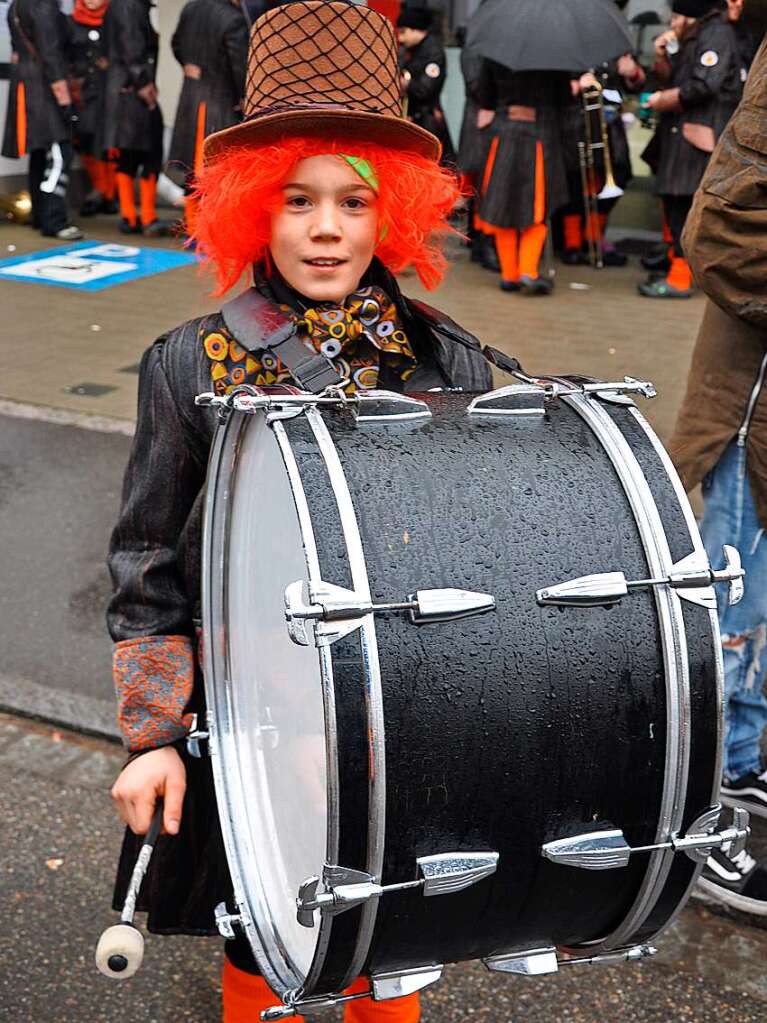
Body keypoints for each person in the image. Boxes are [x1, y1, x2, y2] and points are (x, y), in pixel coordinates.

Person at [106, 3, 491, 1021]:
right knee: (263, 934)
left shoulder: (448, 361)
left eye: (354, 204)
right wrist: (151, 735)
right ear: (248, 210)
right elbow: (147, 558)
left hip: (405, 720)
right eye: (295, 200)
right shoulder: (187, 364)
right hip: (254, 723)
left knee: (391, 942)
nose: (325, 228)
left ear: (391, 214)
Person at [669, 32, 767, 915]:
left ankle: (741, 762)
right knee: (729, 599)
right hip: (750, 398)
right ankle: (701, 811)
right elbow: (720, 229)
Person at [638, 0, 742, 299]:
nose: (673, 21)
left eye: (677, 15)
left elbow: (704, 84)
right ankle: (675, 270)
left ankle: (680, 279)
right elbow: (674, 78)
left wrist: (662, 100)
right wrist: (661, 55)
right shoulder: (697, 34)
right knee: (674, 206)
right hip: (680, 135)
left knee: (684, 209)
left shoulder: (716, 34)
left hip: (696, 136)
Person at [475, 58, 570, 295]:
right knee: (536, 208)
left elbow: (484, 96)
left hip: (503, 132)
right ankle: (528, 271)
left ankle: (509, 275)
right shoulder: (554, 58)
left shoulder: (494, 55)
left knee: (501, 205)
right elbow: (565, 101)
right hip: (540, 135)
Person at [0, 0, 83, 240]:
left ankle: (39, 215)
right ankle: (54, 220)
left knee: (39, 152)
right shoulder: (43, 6)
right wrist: (64, 97)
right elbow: (51, 52)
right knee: (61, 153)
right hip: (43, 86)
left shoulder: (17, 6)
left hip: (25, 84)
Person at [167, 0, 248, 230]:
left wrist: (189, 64)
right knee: (217, 166)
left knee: (193, 168)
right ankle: (211, 228)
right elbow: (239, 64)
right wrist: (243, 97)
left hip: (191, 96)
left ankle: (192, 226)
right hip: (221, 99)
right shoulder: (234, 18)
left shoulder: (191, 7)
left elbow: (176, 43)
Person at [560, 55, 645, 267]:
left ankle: (593, 239)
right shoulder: (564, 45)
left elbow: (636, 86)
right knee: (574, 184)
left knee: (616, 178)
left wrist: (633, 73)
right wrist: (575, 84)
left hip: (609, 128)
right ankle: (572, 244)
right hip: (576, 123)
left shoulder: (614, 48)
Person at [102, 0, 168, 236]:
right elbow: (132, 48)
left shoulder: (120, 5)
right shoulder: (130, 5)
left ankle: (129, 216)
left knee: (128, 154)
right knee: (149, 151)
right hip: (132, 92)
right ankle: (146, 216)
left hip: (121, 91)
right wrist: (144, 85)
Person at [68, 0, 117, 217]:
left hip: (109, 89)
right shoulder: (72, 23)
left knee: (109, 140)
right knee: (86, 138)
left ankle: (109, 193)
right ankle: (99, 188)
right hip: (82, 91)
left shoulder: (113, 18)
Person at [397, 5, 456, 166]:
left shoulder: (433, 51)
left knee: (433, 165)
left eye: (404, 31)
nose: (400, 38)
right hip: (409, 117)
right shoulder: (406, 50)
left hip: (427, 120)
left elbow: (426, 89)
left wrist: (405, 84)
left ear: (416, 30)